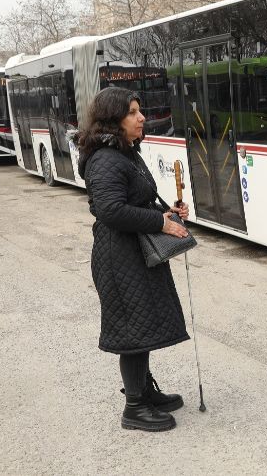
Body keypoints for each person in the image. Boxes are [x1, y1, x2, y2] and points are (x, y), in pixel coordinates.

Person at [76, 87, 192, 432]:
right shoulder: (106, 159)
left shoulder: (125, 153)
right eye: (133, 113)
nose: (142, 118)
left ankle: (144, 391)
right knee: (133, 330)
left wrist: (165, 210)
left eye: (140, 111)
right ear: (114, 120)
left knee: (143, 325)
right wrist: (161, 223)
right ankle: (135, 408)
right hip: (119, 257)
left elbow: (133, 201)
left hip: (134, 254)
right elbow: (111, 210)